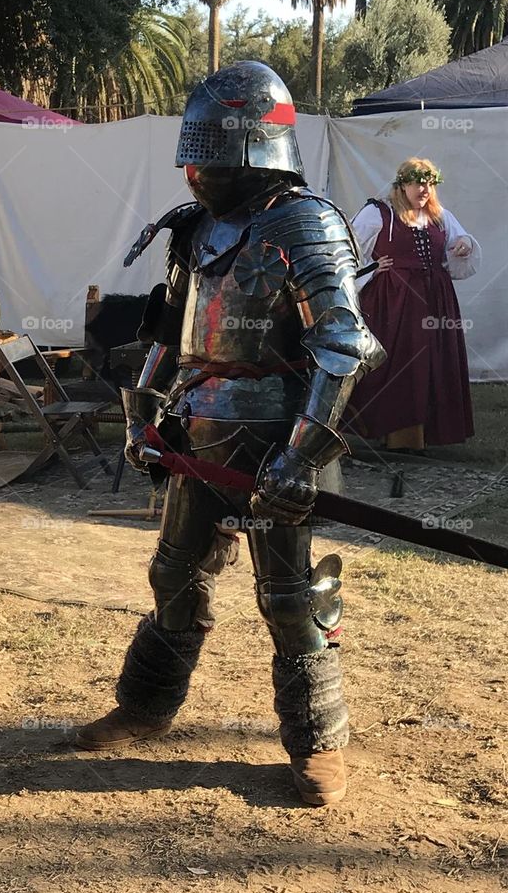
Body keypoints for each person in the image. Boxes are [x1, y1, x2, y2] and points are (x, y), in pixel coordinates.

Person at [74, 61, 385, 807]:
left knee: (289, 597)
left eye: (208, 142)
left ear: (251, 143)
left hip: (281, 433)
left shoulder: (303, 223)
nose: (195, 161)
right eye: (194, 142)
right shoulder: (195, 228)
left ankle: (317, 742)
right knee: (172, 576)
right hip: (199, 431)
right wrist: (144, 414)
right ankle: (146, 706)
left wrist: (300, 455)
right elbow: (171, 333)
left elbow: (342, 349)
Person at [346, 158, 481, 452]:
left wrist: (464, 245)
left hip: (435, 298)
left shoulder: (438, 215)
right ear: (402, 184)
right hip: (394, 300)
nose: (425, 189)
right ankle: (390, 434)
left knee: (433, 361)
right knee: (397, 363)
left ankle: (424, 436)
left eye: (430, 183)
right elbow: (349, 250)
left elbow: (458, 242)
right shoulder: (378, 212)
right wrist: (371, 269)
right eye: (419, 183)